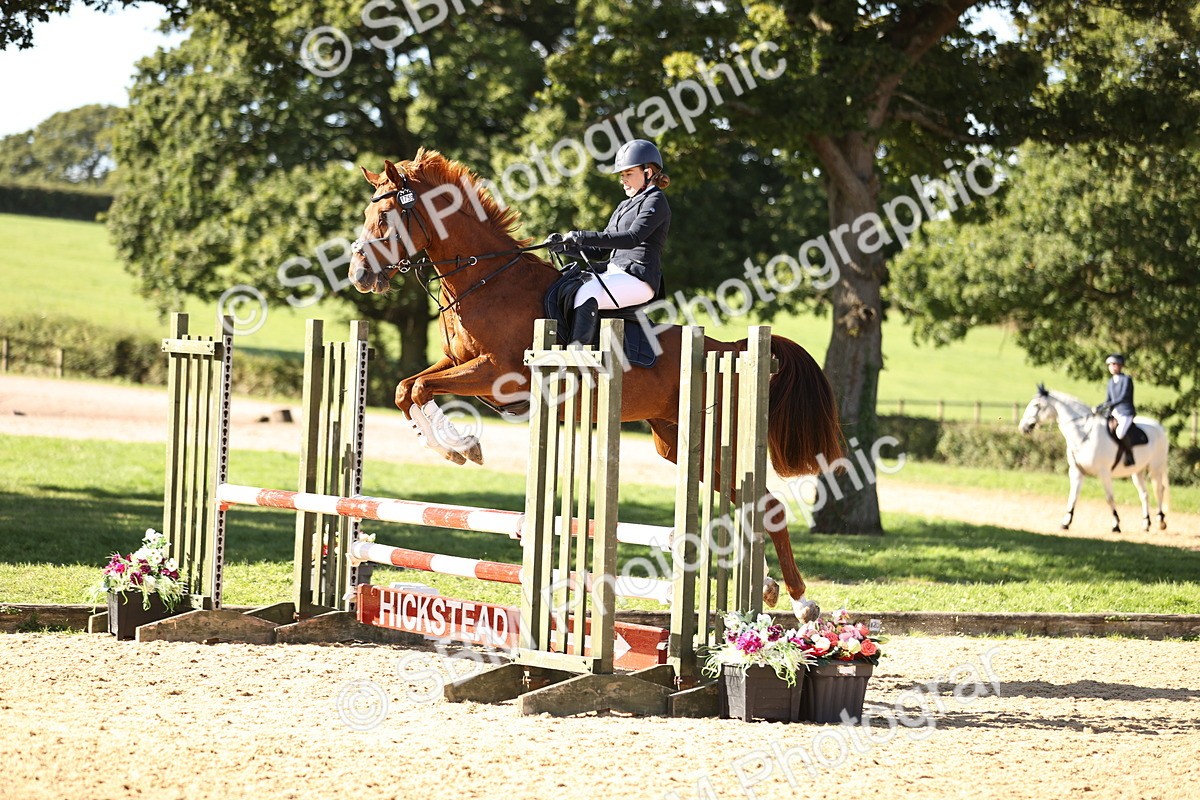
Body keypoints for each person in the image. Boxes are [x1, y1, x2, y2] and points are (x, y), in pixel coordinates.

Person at [544, 138, 671, 345]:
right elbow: (598, 251)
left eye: (629, 174)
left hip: (638, 278)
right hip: (614, 273)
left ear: (648, 173)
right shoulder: (623, 206)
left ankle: (578, 355)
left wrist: (582, 235)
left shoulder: (655, 200)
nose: (623, 180)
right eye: (622, 175)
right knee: (567, 285)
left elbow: (632, 239)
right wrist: (565, 246)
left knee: (587, 291)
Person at [1096, 353, 1137, 466]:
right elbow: (1108, 399)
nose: (1112, 367)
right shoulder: (1110, 382)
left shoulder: (1126, 380)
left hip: (1126, 413)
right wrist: (1101, 406)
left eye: (1114, 364)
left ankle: (1129, 455)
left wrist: (1108, 404)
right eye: (1110, 365)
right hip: (1114, 412)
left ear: (1120, 365)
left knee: (1120, 433)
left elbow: (1123, 397)